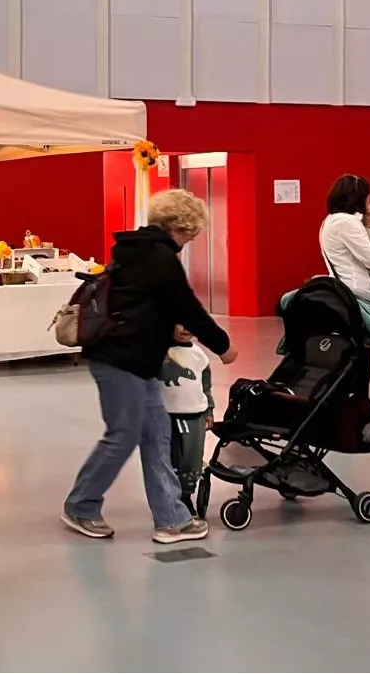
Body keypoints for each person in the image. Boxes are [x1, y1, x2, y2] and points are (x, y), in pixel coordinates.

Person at [62, 189, 236, 544]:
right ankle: (81, 505)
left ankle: (172, 518)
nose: (188, 242)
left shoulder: (134, 249)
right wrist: (223, 346)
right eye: (190, 235)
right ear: (180, 227)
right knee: (124, 434)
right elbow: (187, 307)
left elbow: (149, 303)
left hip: (136, 360)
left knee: (156, 434)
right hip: (121, 359)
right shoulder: (159, 256)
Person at [161, 325, 213, 516]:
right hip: (167, 415)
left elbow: (206, 385)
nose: (186, 328)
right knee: (170, 459)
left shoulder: (200, 356)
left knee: (192, 460)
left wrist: (209, 410)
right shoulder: (159, 351)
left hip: (195, 416)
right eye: (179, 322)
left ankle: (186, 494)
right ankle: (171, 498)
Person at [321, 174, 370, 304]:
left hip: (346, 290)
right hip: (359, 294)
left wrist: (368, 222)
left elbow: (366, 244)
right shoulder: (347, 222)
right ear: (359, 199)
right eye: (368, 199)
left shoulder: (331, 220)